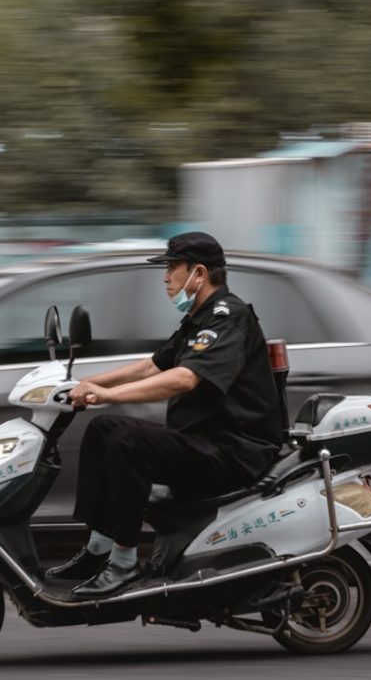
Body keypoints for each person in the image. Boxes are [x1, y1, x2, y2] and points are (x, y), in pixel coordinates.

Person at [47, 232, 284, 598]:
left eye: (173, 268)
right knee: (102, 429)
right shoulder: (198, 318)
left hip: (233, 452)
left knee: (128, 442)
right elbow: (151, 367)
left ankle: (124, 563)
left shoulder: (227, 318)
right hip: (203, 443)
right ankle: (97, 549)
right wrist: (84, 383)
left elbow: (185, 378)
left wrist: (108, 394)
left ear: (199, 273)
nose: (166, 277)